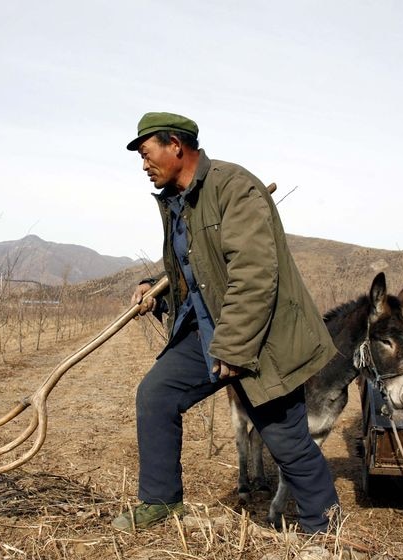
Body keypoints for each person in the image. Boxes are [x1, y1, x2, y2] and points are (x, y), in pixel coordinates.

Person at [111, 112, 339, 533]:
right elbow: (195, 274)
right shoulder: (178, 204)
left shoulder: (234, 188)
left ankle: (323, 521)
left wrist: (234, 346)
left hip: (259, 337)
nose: (143, 165)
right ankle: (161, 501)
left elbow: (254, 275)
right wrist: (153, 289)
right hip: (204, 332)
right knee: (156, 395)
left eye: (146, 154)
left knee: (284, 438)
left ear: (176, 145)